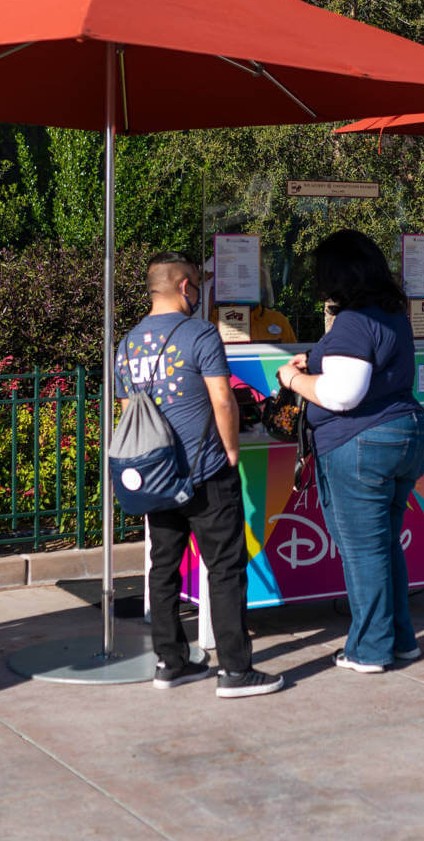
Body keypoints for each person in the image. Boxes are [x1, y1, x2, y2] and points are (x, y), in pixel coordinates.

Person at [116, 253, 283, 698]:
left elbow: (128, 411)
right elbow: (223, 400)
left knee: (163, 567)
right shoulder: (200, 334)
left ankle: (171, 662)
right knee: (225, 568)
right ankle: (235, 671)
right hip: (205, 471)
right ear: (187, 287)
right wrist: (231, 450)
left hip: (155, 475)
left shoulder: (128, 343)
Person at [276, 230, 424, 674]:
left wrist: (291, 380)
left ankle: (369, 649)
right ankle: (401, 640)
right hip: (406, 434)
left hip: (362, 442)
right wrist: (317, 358)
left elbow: (343, 394)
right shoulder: (390, 314)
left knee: (363, 551)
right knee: (384, 545)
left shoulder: (352, 321)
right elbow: (360, 366)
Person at [210, 261, 296, 344]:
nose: (250, 286)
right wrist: (208, 287)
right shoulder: (215, 319)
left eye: (257, 280)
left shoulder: (278, 321)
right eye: (244, 280)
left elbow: (294, 355)